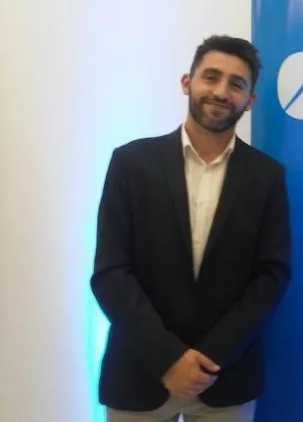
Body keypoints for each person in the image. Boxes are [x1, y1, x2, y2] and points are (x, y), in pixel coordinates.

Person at [91, 35, 291, 422]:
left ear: (250, 100)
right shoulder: (131, 164)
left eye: (236, 84)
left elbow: (271, 277)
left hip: (226, 380)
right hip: (139, 374)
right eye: (211, 77)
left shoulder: (266, 177)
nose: (221, 92)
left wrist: (209, 359)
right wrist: (168, 358)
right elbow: (111, 273)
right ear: (187, 82)